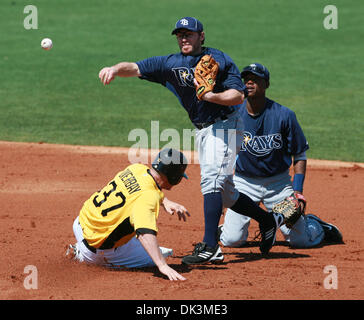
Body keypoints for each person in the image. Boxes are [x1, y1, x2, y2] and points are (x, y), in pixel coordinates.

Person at [98, 17, 301, 265]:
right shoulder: (170, 63)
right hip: (204, 131)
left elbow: (237, 96)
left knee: (211, 181)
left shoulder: (219, 60)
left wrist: (211, 96)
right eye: (180, 34)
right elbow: (136, 67)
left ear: (201, 36)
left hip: (226, 126)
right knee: (226, 194)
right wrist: (115, 70)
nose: (184, 38)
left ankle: (210, 247)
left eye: (189, 34)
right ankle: (268, 219)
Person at [218, 63, 343, 248]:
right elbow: (224, 153)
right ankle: (229, 228)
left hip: (278, 184)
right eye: (247, 79)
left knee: (299, 241)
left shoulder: (284, 115)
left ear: (266, 84)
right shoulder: (233, 115)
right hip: (244, 183)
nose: (250, 83)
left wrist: (297, 191)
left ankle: (316, 225)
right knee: (231, 241)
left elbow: (299, 154)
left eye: (256, 79)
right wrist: (224, 189)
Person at [67, 148, 190, 281]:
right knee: (157, 256)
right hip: (96, 249)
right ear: (174, 177)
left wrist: (164, 201)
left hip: (81, 224)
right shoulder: (149, 196)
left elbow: (140, 191)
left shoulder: (137, 169)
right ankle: (81, 254)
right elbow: (144, 232)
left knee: (127, 223)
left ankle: (83, 248)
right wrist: (162, 265)